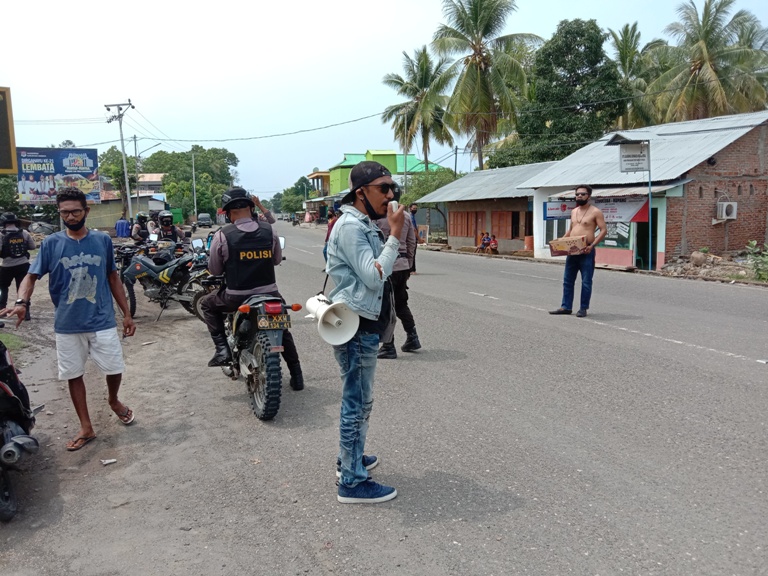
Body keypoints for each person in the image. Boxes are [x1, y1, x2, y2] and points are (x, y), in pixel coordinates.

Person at [0, 187, 137, 452]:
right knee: (73, 374)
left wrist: (127, 314)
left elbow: (112, 277)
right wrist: (21, 302)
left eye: (75, 211)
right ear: (60, 214)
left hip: (101, 319)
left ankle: (113, 400)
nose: (70, 216)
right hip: (67, 323)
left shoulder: (102, 241)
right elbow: (31, 276)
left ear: (86, 211)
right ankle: (86, 426)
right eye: (65, 212)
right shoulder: (51, 244)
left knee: (114, 367)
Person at [326, 160, 405, 504]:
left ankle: (351, 458)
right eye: (383, 188)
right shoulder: (351, 228)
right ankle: (353, 482)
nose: (391, 195)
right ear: (361, 192)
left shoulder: (363, 224)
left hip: (363, 322)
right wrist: (396, 235)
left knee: (359, 400)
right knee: (357, 402)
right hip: (357, 325)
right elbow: (374, 275)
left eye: (393, 188)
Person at [200, 188, 304, 390]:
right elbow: (275, 260)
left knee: (206, 304)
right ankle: (297, 375)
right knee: (281, 328)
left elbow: (214, 269)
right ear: (250, 207)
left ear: (228, 213)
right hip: (270, 294)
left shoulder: (222, 236)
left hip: (236, 297)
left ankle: (222, 350)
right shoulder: (269, 230)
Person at [549, 184, 607, 318]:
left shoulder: (596, 212)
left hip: (586, 250)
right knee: (567, 280)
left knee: (586, 281)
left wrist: (592, 245)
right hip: (572, 250)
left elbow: (603, 230)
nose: (579, 196)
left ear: (589, 196)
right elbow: (571, 230)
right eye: (577, 194)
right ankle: (566, 306)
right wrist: (561, 241)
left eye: (582, 194)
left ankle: (583, 308)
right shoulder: (574, 211)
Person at [375, 191, 420, 359]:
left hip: (386, 266)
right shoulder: (406, 216)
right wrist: (408, 265)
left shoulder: (378, 217)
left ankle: (388, 345)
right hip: (402, 266)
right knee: (401, 303)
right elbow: (411, 243)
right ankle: (412, 337)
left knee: (385, 306)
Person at [0, 212, 36, 321]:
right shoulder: (24, 233)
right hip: (23, 265)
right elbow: (32, 246)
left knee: (2, 288)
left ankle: (2, 310)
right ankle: (26, 312)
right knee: (23, 288)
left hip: (6, 266)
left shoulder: (1, 234)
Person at [408, 203, 422, 274]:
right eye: (414, 208)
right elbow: (414, 230)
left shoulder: (411, 216)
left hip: (412, 238)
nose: (415, 210)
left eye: (416, 209)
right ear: (410, 208)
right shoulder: (411, 217)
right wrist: (419, 239)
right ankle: (412, 270)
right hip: (412, 239)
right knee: (412, 254)